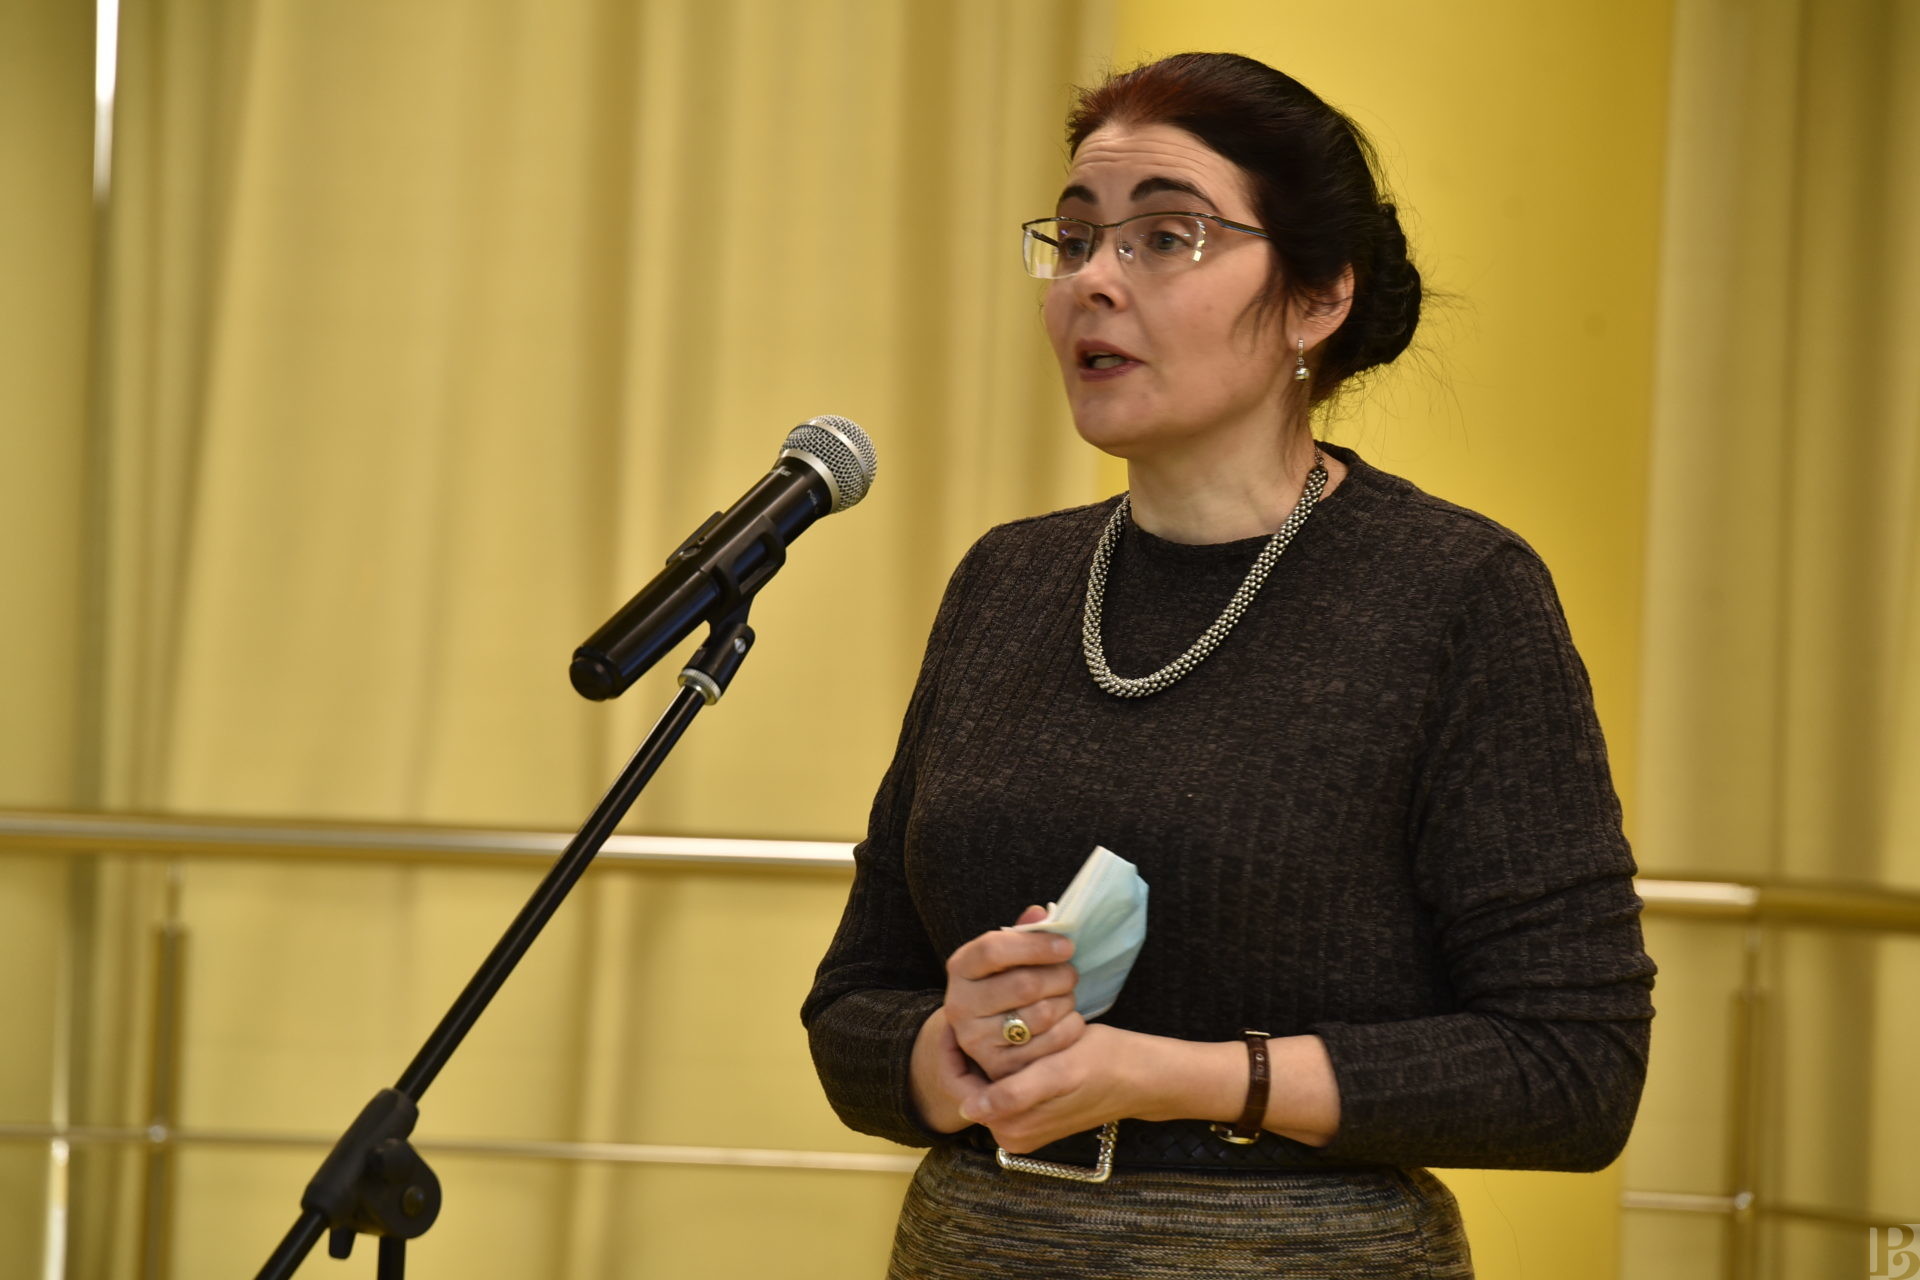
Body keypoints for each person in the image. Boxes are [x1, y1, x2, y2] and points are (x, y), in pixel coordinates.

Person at [801, 51, 1657, 1278]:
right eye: (1076, 239)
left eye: (1165, 236)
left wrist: (1176, 1076)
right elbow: (851, 1001)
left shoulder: (1455, 592)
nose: (1094, 279)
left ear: (1318, 296)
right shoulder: (1008, 578)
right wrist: (952, 1046)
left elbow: (1575, 1065)